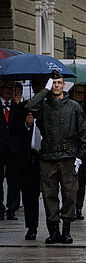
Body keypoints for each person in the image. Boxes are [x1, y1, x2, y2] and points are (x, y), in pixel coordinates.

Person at [27, 75, 86, 244]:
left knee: (70, 194)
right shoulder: (44, 106)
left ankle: (67, 230)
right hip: (48, 157)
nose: (56, 86)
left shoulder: (74, 107)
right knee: (49, 194)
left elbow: (84, 133)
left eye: (59, 83)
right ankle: (53, 230)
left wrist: (80, 157)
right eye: (53, 83)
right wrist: (45, 90)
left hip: (68, 157)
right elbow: (30, 105)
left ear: (64, 85)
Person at [4, 82, 41, 239]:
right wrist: (26, 124)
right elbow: (13, 128)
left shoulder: (54, 105)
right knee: (29, 194)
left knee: (51, 193)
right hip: (29, 157)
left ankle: (56, 227)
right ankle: (31, 226)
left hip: (49, 156)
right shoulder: (24, 106)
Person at [67, 84, 86, 219]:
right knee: (67, 182)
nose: (80, 95)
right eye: (77, 92)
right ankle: (68, 208)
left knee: (81, 181)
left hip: (82, 150)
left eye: (82, 93)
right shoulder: (67, 107)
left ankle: (79, 208)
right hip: (68, 148)